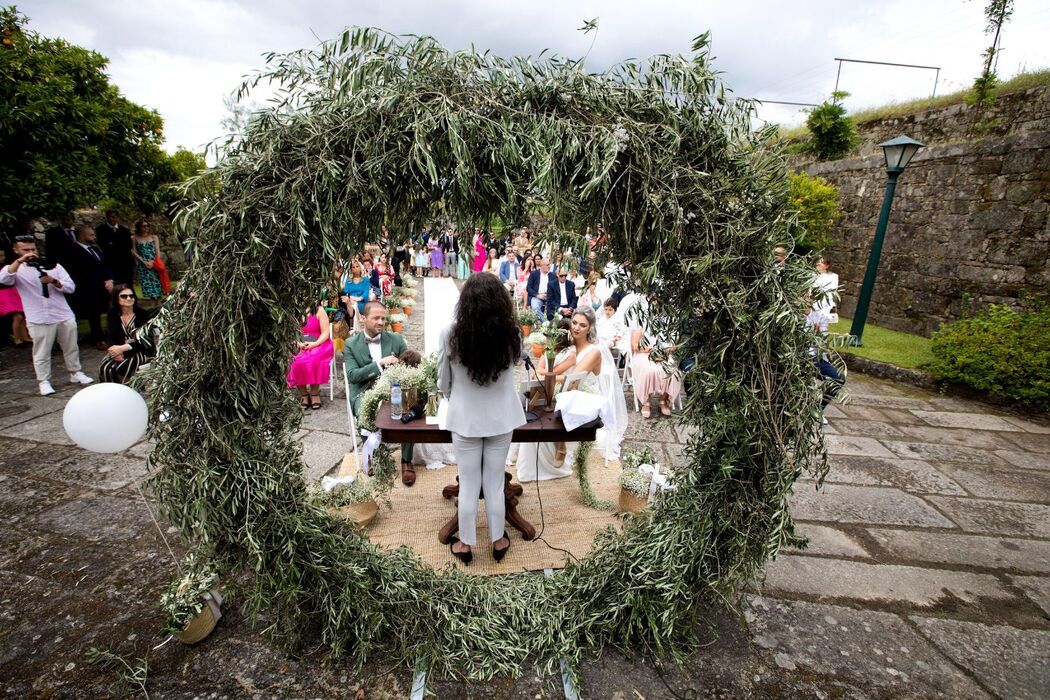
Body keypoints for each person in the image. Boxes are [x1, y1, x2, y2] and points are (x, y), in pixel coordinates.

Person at [437, 273, 525, 565]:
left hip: (465, 419)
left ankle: (464, 543)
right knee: (495, 483)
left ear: (466, 302)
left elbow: (442, 382)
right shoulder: (513, 333)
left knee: (470, 484)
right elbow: (513, 367)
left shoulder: (450, 333)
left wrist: (458, 397)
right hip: (501, 419)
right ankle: (498, 539)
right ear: (502, 302)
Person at [0, 235, 93, 395]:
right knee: (42, 351)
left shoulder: (53, 265)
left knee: (71, 346)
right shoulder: (16, 270)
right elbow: (4, 279)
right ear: (16, 250)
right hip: (38, 316)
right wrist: (21, 260)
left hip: (62, 312)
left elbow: (70, 287)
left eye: (33, 249)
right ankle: (43, 380)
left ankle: (75, 372)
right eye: (25, 250)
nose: (30, 252)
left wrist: (53, 281)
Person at [344, 301, 415, 485]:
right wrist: (379, 364)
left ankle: (406, 460)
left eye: (383, 318)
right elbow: (352, 376)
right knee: (363, 409)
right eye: (376, 318)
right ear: (364, 319)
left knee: (409, 406)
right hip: (364, 391)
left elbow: (408, 368)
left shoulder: (396, 340)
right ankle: (374, 455)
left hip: (394, 389)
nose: (381, 322)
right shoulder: (351, 344)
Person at [629, 302, 682, 419]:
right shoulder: (642, 322)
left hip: (664, 355)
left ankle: (663, 401)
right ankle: (646, 402)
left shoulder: (669, 324)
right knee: (649, 370)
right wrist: (653, 351)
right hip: (644, 354)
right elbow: (635, 345)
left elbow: (675, 346)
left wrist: (665, 352)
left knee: (673, 372)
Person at [65, 225, 113, 349]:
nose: (94, 237)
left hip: (103, 287)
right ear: (82, 235)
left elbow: (105, 265)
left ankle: (112, 334)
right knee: (93, 314)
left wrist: (109, 279)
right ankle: (99, 339)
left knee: (110, 310)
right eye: (91, 235)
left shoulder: (95, 249)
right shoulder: (72, 251)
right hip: (87, 289)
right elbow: (77, 272)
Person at [99, 285, 156, 384]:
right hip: (119, 348)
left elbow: (145, 340)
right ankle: (110, 395)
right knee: (105, 368)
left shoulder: (142, 315)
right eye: (124, 296)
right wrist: (114, 350)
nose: (129, 298)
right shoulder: (113, 314)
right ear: (116, 298)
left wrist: (124, 349)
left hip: (141, 350)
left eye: (131, 295)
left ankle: (127, 394)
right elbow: (110, 335)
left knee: (122, 369)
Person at [288, 303, 334, 410]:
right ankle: (303, 394)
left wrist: (315, 343)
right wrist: (296, 343)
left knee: (313, 358)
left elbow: (325, 332)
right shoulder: (290, 310)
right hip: (298, 343)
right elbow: (288, 333)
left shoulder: (319, 310)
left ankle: (315, 393)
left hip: (319, 343)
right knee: (294, 360)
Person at [0, 248, 31, 348]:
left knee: (22, 315)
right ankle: (17, 338)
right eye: (0, 256)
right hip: (3, 294)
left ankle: (24, 336)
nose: (3, 258)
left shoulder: (7, 266)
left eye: (3, 255)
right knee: (18, 316)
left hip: (12, 292)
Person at [95, 210, 134, 285]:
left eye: (113, 217)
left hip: (125, 261)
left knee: (127, 283)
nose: (111, 219)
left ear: (117, 218)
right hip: (111, 261)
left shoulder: (125, 230)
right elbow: (104, 245)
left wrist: (113, 244)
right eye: (109, 217)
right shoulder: (100, 230)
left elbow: (129, 245)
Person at [131, 220, 164, 307]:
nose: (146, 228)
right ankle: (153, 306)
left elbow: (157, 250)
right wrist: (144, 262)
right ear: (139, 227)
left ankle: (160, 306)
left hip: (154, 264)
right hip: (143, 265)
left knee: (158, 285)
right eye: (143, 226)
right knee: (149, 286)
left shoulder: (154, 237)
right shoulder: (135, 238)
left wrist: (154, 262)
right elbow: (133, 251)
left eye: (147, 226)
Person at [340, 259, 371, 328]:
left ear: (360, 267)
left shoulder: (366, 280)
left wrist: (357, 299)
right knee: (352, 305)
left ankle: (355, 327)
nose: (355, 269)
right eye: (353, 267)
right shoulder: (349, 280)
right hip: (350, 302)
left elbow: (366, 294)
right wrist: (349, 299)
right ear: (351, 270)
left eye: (357, 266)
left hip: (361, 302)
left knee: (355, 305)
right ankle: (356, 327)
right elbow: (345, 292)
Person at [813, 257, 839, 323]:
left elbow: (832, 290)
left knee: (821, 326)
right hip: (811, 303)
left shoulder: (834, 277)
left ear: (827, 266)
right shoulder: (812, 275)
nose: (818, 264)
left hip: (824, 305)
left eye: (821, 262)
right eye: (818, 262)